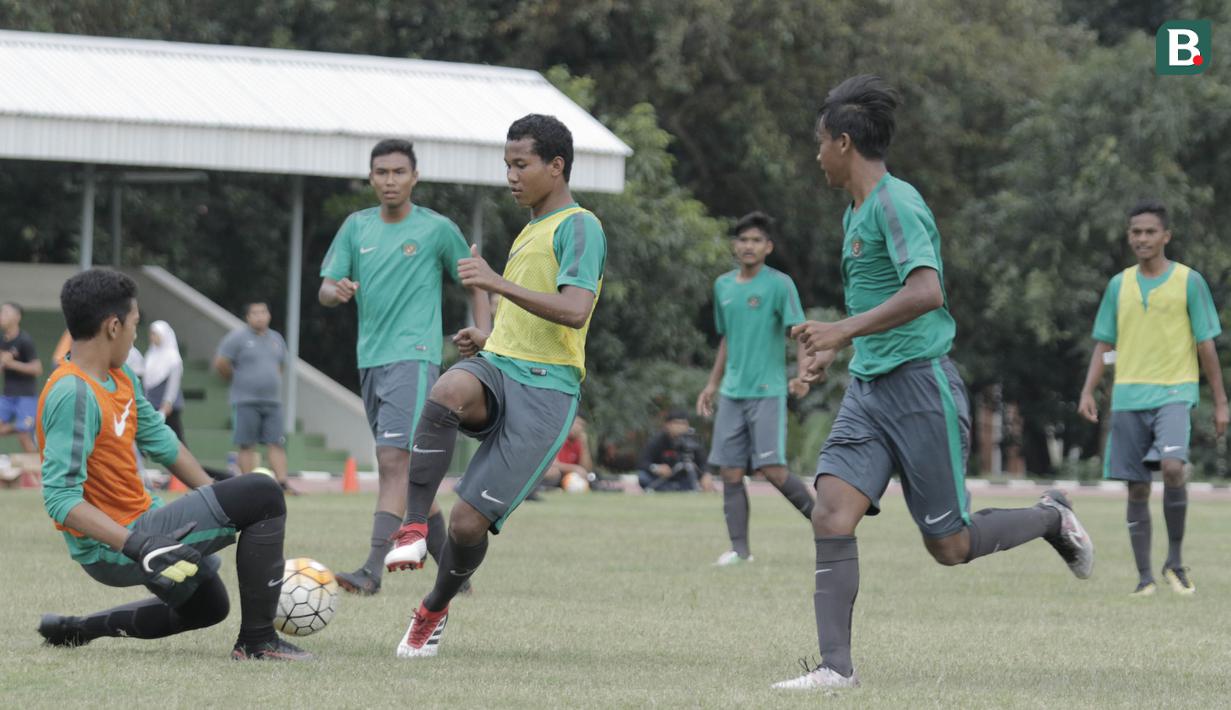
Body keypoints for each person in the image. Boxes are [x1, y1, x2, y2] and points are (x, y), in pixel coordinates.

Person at [773, 75, 1094, 691]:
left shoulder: (897, 203)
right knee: (831, 514)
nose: (815, 155)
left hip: (922, 391)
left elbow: (927, 292)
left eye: (819, 143)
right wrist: (832, 354)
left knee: (950, 546)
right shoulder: (856, 212)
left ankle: (1052, 517)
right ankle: (837, 669)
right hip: (869, 391)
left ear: (843, 143)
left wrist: (840, 331)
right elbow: (877, 307)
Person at [380, 113, 606, 659]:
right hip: (500, 367)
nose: (511, 175)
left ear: (556, 166)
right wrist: (488, 336)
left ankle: (433, 609)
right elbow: (527, 318)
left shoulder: (580, 225)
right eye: (507, 164)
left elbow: (575, 311)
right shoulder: (530, 229)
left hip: (548, 392)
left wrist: (494, 282)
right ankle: (411, 526)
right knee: (447, 391)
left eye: (521, 164)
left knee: (464, 524)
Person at [35, 269, 309, 660]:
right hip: (115, 544)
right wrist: (139, 544)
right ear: (113, 327)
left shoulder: (121, 375)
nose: (136, 334)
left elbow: (163, 443)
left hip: (145, 523)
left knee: (210, 606)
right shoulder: (72, 392)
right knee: (263, 493)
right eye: (135, 325)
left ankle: (79, 629)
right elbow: (60, 498)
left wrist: (211, 496)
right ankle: (258, 643)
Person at [319, 138, 492, 596]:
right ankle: (459, 577)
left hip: (414, 358)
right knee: (410, 473)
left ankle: (372, 571)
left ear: (415, 177)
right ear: (371, 177)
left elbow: (476, 280)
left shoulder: (436, 229)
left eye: (399, 172)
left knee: (393, 462)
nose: (390, 180)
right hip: (370, 360)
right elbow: (325, 286)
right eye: (381, 172)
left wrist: (486, 336)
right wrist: (335, 292)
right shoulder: (356, 228)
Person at [1077, 200, 1225, 597]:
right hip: (1127, 397)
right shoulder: (1118, 285)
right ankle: (1144, 579)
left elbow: (1206, 344)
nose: (1141, 238)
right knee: (1136, 487)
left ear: (1166, 236)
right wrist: (1089, 390)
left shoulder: (1188, 281)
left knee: (1174, 467)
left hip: (1175, 391)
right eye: (1135, 232)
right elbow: (1104, 343)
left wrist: (1221, 402)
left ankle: (1175, 563)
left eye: (1149, 231)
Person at [696, 212, 816, 565]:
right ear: (735, 246)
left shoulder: (780, 285)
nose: (748, 246)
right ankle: (740, 551)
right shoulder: (724, 286)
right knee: (731, 472)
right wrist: (712, 383)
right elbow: (727, 339)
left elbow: (800, 332)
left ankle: (828, 525)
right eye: (743, 240)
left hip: (768, 389)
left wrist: (803, 374)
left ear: (768, 247)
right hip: (733, 392)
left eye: (756, 241)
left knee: (773, 470)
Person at [213, 302, 294, 493]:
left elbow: (280, 366)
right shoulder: (237, 338)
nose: (259, 316)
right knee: (246, 443)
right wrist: (239, 379)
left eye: (263, 312)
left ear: (269, 315)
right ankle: (248, 486)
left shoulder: (276, 339)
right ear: (248, 317)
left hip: (272, 401)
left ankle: (282, 484)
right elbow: (221, 363)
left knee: (277, 442)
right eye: (255, 313)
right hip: (245, 400)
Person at [144, 320, 231, 483]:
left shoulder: (173, 358)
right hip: (152, 405)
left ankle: (202, 477)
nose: (152, 338)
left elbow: (173, 385)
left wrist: (166, 404)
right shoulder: (151, 354)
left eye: (155, 334)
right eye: (151, 334)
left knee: (178, 445)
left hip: (167, 408)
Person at [0, 302, 43, 453]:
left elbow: (37, 369)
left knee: (24, 436)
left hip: (27, 395)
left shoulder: (25, 340)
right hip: (7, 395)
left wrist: (11, 364)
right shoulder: (2, 341)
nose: (1, 316)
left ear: (17, 317)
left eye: (5, 312)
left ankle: (37, 472)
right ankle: (21, 425)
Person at [638, 410, 710, 492]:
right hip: (662, 478)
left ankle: (674, 489)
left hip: (683, 478)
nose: (680, 427)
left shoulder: (692, 440)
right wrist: (656, 468)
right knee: (643, 476)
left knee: (703, 478)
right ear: (667, 425)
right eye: (677, 423)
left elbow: (703, 462)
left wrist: (706, 474)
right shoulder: (658, 440)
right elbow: (642, 462)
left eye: (684, 423)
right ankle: (675, 489)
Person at [541, 415, 594, 489]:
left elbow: (586, 469)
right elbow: (553, 464)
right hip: (558, 474)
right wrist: (575, 468)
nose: (579, 428)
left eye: (582, 425)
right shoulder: (558, 438)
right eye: (577, 423)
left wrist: (584, 446)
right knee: (554, 472)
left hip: (570, 477)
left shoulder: (579, 443)